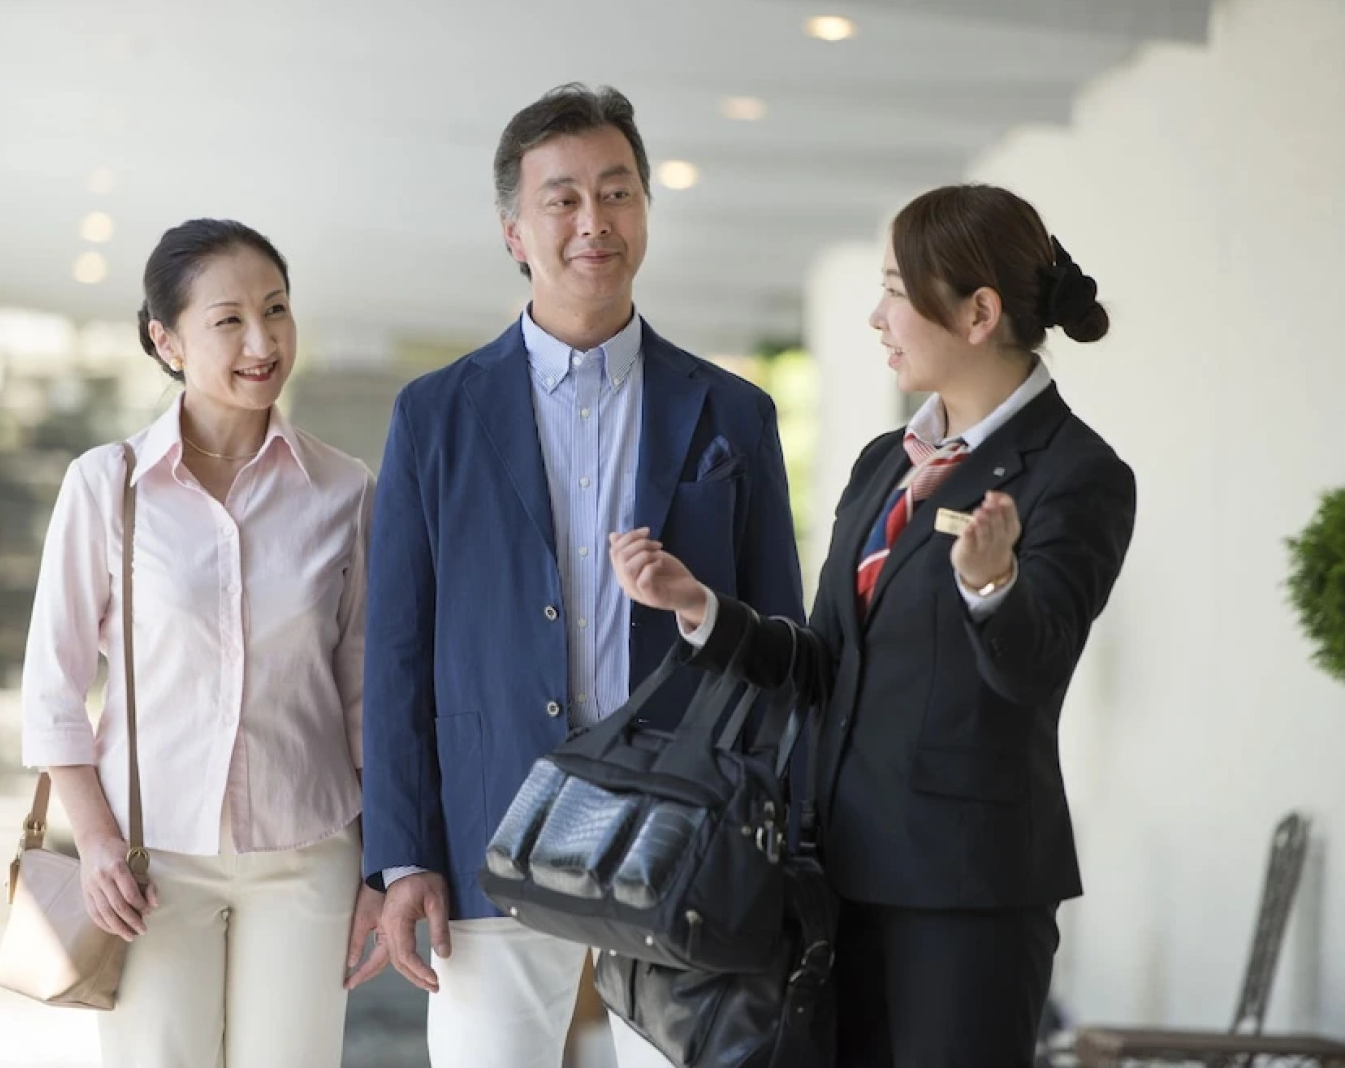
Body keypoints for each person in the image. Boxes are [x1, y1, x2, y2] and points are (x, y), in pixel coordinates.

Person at [610, 183, 1136, 1068]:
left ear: (978, 313)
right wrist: (701, 609)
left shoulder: (1077, 473)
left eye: (895, 289)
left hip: (963, 899)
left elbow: (1037, 663)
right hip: (831, 881)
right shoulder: (885, 464)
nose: (875, 316)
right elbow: (824, 661)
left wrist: (994, 582)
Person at [359, 83, 806, 1068]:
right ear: (515, 231)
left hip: (686, 837)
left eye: (616, 192)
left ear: (645, 209)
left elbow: (782, 639)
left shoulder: (733, 413)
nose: (592, 222)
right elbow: (395, 649)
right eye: (561, 199)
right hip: (492, 823)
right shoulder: (435, 415)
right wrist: (402, 855)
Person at [20, 218, 386, 1068]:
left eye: (277, 310)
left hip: (310, 852)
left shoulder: (344, 489)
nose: (262, 342)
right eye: (228, 320)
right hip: (150, 866)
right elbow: (52, 687)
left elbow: (366, 689)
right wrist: (99, 844)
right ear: (167, 339)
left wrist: (383, 865)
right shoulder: (105, 486)